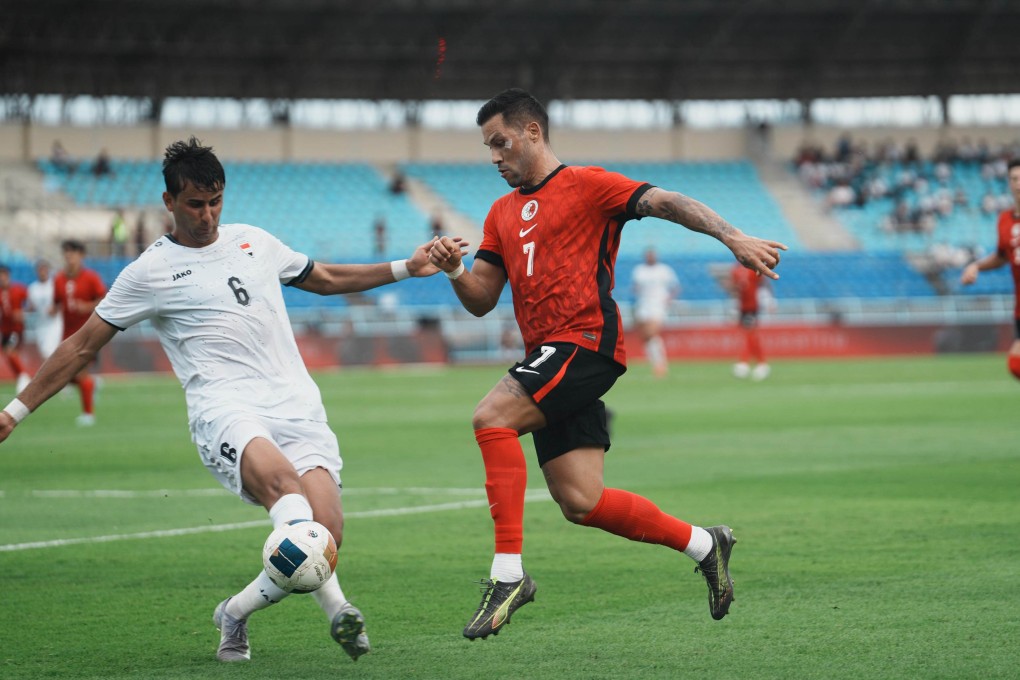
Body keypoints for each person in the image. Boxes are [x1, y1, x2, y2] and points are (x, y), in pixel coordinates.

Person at [0, 137, 463, 663]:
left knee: (326, 533)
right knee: (287, 494)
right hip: (225, 410)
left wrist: (409, 265)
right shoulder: (148, 272)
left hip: (296, 405)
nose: (208, 215)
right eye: (195, 204)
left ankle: (234, 613)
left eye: (215, 201)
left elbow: (327, 277)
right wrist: (15, 412)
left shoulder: (254, 241)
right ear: (169, 202)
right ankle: (340, 610)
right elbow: (82, 344)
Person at [427, 88, 786, 639]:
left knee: (491, 417)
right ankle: (704, 543)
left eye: (500, 143)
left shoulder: (588, 185)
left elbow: (666, 202)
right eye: (487, 148)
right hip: (546, 355)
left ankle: (508, 576)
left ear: (532, 133)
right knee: (581, 500)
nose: (494, 157)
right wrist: (454, 270)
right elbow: (481, 299)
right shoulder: (500, 213)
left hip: (586, 342)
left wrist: (732, 236)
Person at [960, 158, 1020, 380]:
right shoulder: (1004, 219)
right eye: (1014, 179)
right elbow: (1003, 256)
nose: (1018, 184)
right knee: (1016, 365)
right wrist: (975, 265)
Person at [53, 239, 106, 426]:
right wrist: (52, 309)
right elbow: (57, 301)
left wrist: (88, 306)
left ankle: (88, 415)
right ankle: (90, 385)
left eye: (73, 253)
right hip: (67, 334)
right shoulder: (59, 279)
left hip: (88, 332)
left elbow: (104, 299)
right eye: (66, 253)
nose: (69, 257)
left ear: (81, 256)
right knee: (66, 376)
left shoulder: (91, 278)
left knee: (80, 372)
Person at [631, 247, 681, 378]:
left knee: (652, 332)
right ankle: (656, 362)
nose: (650, 257)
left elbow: (676, 286)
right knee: (646, 336)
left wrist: (669, 298)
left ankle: (660, 364)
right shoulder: (639, 270)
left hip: (658, 304)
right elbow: (635, 287)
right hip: (643, 304)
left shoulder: (664, 270)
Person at [728, 262, 772, 381]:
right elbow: (735, 290)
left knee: (750, 334)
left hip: (752, 306)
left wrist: (768, 300)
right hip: (742, 307)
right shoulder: (735, 270)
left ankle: (752, 363)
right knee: (748, 334)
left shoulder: (752, 269)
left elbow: (763, 284)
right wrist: (734, 306)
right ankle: (754, 363)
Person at [0, 265, 31, 392]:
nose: (2, 278)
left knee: (10, 350)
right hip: (4, 329)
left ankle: (24, 376)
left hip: (16, 328)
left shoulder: (18, 289)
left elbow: (30, 302)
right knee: (9, 354)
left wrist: (23, 312)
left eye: (4, 275)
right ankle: (21, 377)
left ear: (8, 276)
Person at [26, 259, 63, 361]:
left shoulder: (54, 284)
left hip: (54, 324)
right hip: (41, 325)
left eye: (44, 269)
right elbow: (31, 306)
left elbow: (61, 301)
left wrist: (55, 308)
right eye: (40, 269)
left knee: (49, 352)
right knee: (45, 354)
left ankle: (55, 376)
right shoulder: (32, 288)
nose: (42, 272)